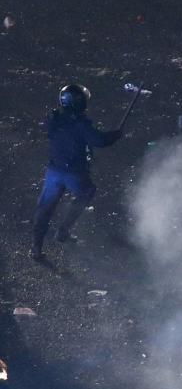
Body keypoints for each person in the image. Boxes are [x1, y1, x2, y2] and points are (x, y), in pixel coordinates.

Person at [31, 84, 122, 261]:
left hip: (54, 171)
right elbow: (100, 141)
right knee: (86, 192)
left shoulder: (54, 119)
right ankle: (63, 230)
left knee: (44, 209)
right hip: (73, 173)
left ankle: (36, 247)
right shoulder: (80, 125)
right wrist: (115, 135)